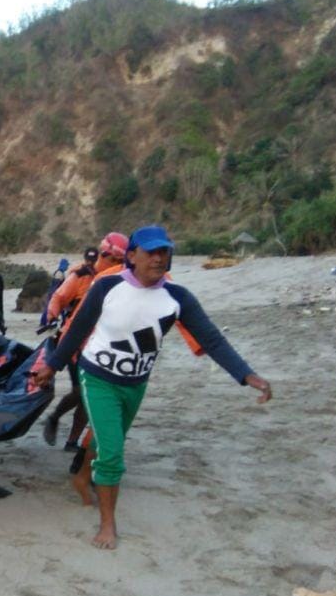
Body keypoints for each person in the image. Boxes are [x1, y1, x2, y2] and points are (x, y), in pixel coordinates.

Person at [32, 226, 273, 550]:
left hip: (135, 384)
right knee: (113, 452)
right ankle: (107, 524)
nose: (159, 258)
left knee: (105, 440)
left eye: (164, 252)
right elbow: (78, 329)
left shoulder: (177, 297)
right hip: (97, 377)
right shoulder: (107, 286)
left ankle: (81, 476)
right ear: (132, 256)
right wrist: (53, 365)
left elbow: (212, 339)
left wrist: (247, 375)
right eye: (151, 252)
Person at [42, 234, 127, 451]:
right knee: (81, 390)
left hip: (101, 344)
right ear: (104, 255)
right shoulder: (81, 276)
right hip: (75, 341)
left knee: (88, 397)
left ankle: (72, 441)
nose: (118, 265)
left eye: (121, 262)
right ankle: (55, 416)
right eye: (115, 260)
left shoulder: (121, 280)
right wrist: (51, 317)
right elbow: (58, 297)